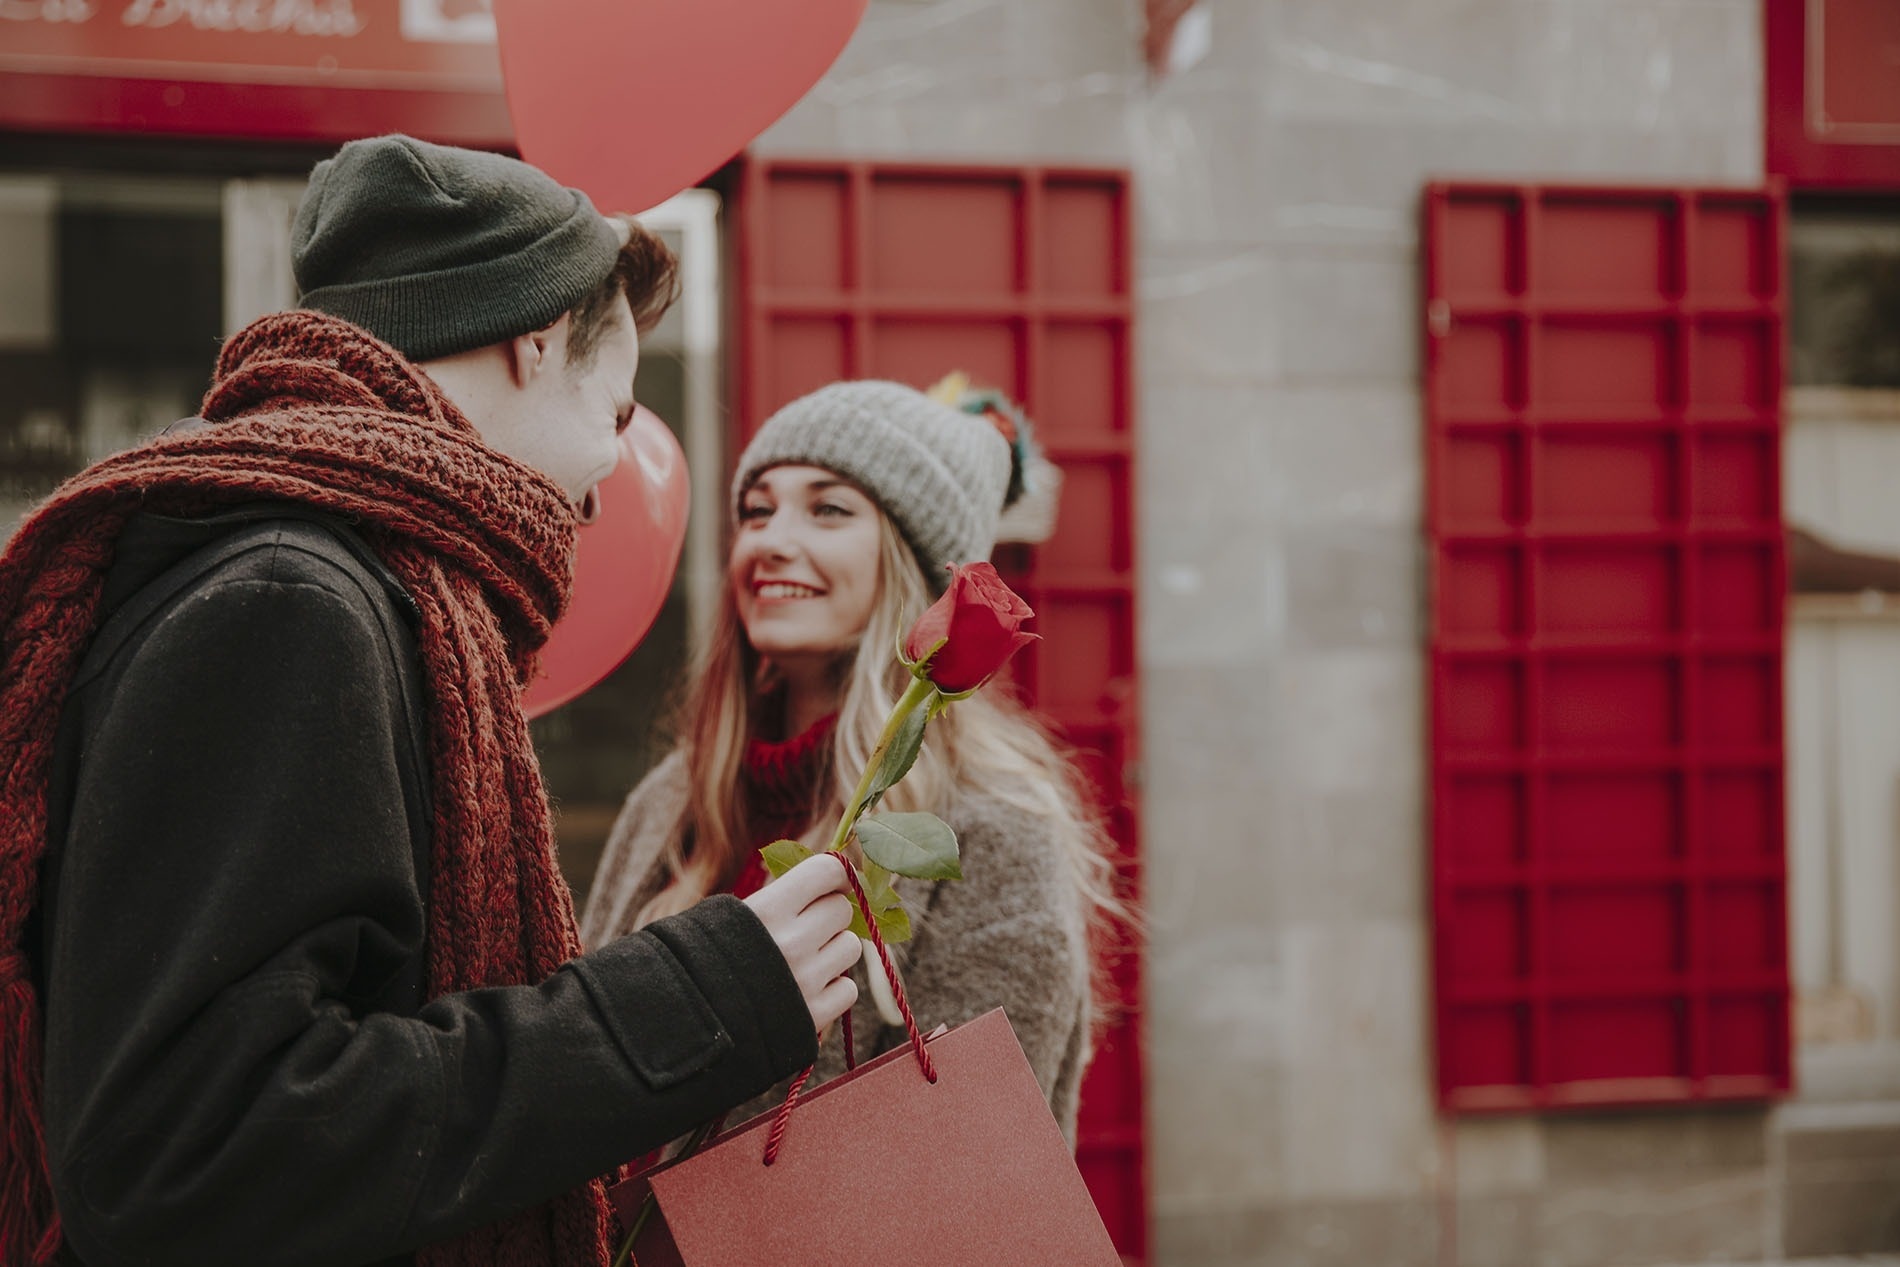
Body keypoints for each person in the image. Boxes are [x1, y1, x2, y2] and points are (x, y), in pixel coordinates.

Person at [0, 135, 861, 1267]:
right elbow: (196, 1150)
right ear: (534, 340)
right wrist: (695, 998)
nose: (608, 488)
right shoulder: (288, 599)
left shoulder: (303, 566)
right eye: (616, 411)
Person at [580, 379, 1119, 1141]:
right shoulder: (674, 799)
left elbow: (979, 1152)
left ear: (912, 563)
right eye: (756, 510)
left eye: (828, 509)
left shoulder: (990, 826)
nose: (770, 539)